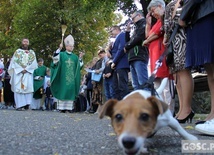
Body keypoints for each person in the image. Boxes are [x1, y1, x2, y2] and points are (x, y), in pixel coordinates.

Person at [179, 0, 214, 134]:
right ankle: (213, 113)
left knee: (212, 68)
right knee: (210, 70)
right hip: (203, 15)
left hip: (206, 15)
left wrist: (183, 16)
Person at [163, 0, 194, 123]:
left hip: (183, 37)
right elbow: (167, 24)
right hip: (173, 40)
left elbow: (186, 19)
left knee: (183, 70)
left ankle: (187, 109)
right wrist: (166, 36)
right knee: (177, 74)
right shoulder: (172, 3)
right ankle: (182, 109)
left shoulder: (185, 1)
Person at [143, 0, 173, 111]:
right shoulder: (156, 23)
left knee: (165, 84)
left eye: (153, 10)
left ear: (160, 6)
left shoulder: (163, 20)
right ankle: (160, 109)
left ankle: (169, 110)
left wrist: (146, 42)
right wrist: (148, 23)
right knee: (156, 84)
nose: (153, 13)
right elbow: (148, 35)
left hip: (162, 54)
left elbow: (157, 33)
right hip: (154, 56)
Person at [50, 35, 82, 113]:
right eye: (70, 46)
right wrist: (59, 49)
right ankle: (61, 108)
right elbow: (55, 61)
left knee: (70, 92)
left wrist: (80, 58)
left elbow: (79, 66)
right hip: (62, 78)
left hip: (72, 79)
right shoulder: (61, 54)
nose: (72, 48)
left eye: (73, 46)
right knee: (63, 91)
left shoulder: (75, 57)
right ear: (66, 46)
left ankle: (68, 108)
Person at [8, 38, 38, 111]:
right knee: (19, 89)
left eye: (27, 41)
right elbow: (14, 62)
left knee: (28, 88)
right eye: (24, 41)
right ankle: (19, 105)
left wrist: (27, 69)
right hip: (19, 74)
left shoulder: (32, 53)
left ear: (28, 43)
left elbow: (34, 63)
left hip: (28, 73)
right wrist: (21, 69)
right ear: (22, 42)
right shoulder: (17, 52)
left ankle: (27, 105)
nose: (25, 43)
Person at [124, 10, 149, 90]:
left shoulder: (144, 24)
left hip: (140, 56)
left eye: (133, 18)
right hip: (132, 58)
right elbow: (128, 41)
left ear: (139, 15)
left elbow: (138, 39)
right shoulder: (136, 28)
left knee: (143, 83)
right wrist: (127, 31)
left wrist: (127, 47)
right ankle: (139, 101)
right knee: (136, 85)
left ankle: (147, 101)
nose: (132, 21)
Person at [109, 26, 130, 100]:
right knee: (115, 87)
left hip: (121, 64)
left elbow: (121, 49)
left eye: (111, 31)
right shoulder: (115, 40)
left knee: (122, 86)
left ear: (116, 29)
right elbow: (115, 52)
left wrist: (114, 61)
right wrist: (110, 49)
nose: (111, 33)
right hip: (117, 66)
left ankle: (125, 104)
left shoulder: (122, 35)